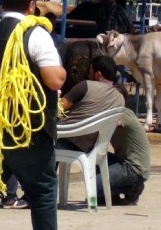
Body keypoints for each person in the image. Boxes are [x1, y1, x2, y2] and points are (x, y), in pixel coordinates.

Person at [0, 0, 66, 230]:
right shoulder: (37, 35)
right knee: (43, 196)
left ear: (1, 5)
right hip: (29, 135)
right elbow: (54, 80)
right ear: (32, 6)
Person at [59, 56, 149, 205]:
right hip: (121, 160)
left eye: (90, 72)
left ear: (98, 74)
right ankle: (113, 193)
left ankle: (132, 187)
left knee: (94, 189)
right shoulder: (114, 106)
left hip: (133, 167)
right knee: (96, 162)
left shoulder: (122, 115)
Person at [58, 56, 125, 152]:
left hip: (65, 140)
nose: (88, 76)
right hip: (92, 148)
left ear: (98, 74)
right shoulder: (120, 99)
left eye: (90, 73)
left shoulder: (85, 86)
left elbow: (58, 108)